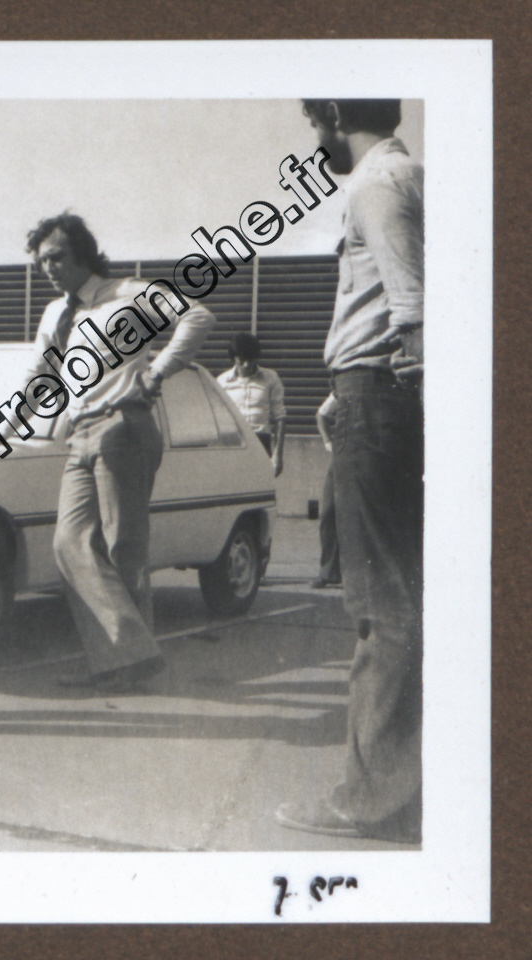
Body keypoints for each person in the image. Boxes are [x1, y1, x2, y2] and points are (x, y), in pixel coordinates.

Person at [276, 100, 423, 843]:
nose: (317, 140)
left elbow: (412, 305)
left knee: (379, 603)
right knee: (400, 594)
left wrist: (377, 389)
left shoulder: (375, 183)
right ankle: (401, 787)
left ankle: (372, 798)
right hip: (371, 393)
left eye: (316, 124)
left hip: (380, 395)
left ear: (335, 111)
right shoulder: (408, 177)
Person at [21, 213, 215, 693]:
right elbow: (38, 378)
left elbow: (197, 316)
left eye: (56, 257)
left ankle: (118, 667)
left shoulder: (127, 293)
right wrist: (0, 430)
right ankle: (133, 654)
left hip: (124, 426)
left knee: (122, 548)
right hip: (80, 433)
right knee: (69, 543)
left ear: (83, 253)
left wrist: (157, 372)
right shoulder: (55, 313)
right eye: (41, 261)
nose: (48, 268)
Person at [216, 333, 287, 477]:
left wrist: (277, 455)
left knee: (261, 484)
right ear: (234, 358)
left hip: (261, 442)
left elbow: (280, 418)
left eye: (251, 359)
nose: (247, 364)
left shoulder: (271, 378)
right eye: (242, 360)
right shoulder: (222, 381)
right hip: (233, 443)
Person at [311, 393, 341, 589]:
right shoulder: (343, 386)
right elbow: (321, 415)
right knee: (329, 513)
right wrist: (329, 443)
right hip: (343, 454)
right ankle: (328, 572)